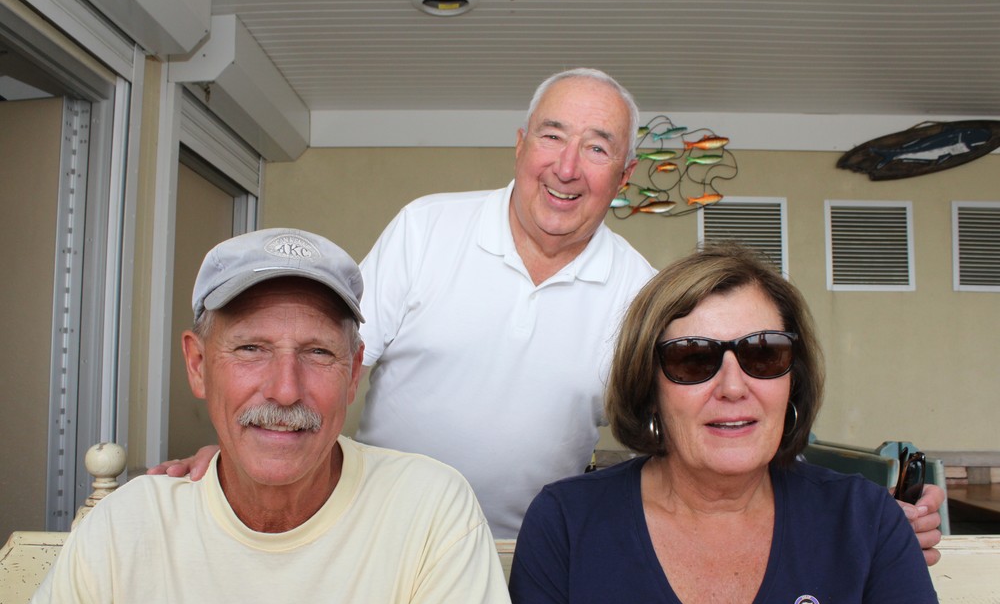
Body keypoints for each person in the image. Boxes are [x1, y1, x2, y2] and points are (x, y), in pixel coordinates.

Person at [151, 68, 946, 554]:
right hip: (378, 532)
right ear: (520, 143)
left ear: (623, 175)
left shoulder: (642, 293)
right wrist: (243, 454)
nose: (568, 167)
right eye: (553, 137)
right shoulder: (428, 227)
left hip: (532, 554)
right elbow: (319, 361)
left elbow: (719, 420)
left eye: (597, 147)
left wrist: (862, 511)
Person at [0, 228, 524, 604]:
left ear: (352, 375)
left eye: (318, 353)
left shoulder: (428, 512)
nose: (285, 389)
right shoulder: (126, 528)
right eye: (251, 348)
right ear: (198, 365)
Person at [508, 243, 955, 604]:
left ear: (792, 380)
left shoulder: (863, 519)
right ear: (648, 388)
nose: (733, 387)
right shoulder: (566, 524)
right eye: (692, 360)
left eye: (763, 354)